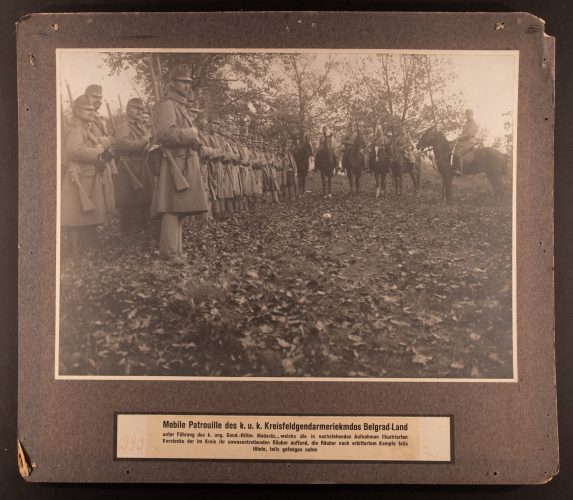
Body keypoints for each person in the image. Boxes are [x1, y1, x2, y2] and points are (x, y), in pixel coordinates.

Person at [151, 65, 208, 264]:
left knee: (180, 209)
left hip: (184, 161)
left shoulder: (180, 105)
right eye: (183, 81)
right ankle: (169, 253)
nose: (187, 85)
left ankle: (177, 251)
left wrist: (194, 140)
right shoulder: (167, 105)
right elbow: (164, 134)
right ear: (171, 83)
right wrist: (191, 134)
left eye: (189, 82)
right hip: (174, 162)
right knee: (171, 208)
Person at [61, 94, 113, 254]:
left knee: (87, 213)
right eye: (87, 109)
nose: (92, 112)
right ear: (77, 110)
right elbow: (73, 150)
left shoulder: (85, 128)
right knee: (75, 214)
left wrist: (105, 142)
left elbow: (94, 142)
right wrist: (97, 152)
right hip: (79, 176)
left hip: (88, 175)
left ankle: (87, 246)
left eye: (92, 109)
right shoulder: (75, 129)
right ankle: (74, 251)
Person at [113, 98, 153, 235]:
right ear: (128, 109)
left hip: (141, 166)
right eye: (136, 108)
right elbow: (121, 144)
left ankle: (141, 233)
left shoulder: (140, 126)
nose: (139, 112)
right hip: (128, 168)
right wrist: (142, 142)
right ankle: (126, 238)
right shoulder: (124, 126)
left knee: (144, 201)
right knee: (128, 204)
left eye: (141, 109)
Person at [84, 84, 117, 217]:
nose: (98, 100)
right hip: (93, 163)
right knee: (94, 201)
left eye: (100, 98)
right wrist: (107, 140)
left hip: (105, 161)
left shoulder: (100, 118)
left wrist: (113, 167)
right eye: (95, 97)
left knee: (106, 199)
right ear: (87, 97)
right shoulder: (84, 117)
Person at [453, 108, 479, 175]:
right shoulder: (466, 123)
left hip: (469, 142)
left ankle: (461, 171)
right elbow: (464, 134)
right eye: (466, 114)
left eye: (469, 114)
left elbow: (469, 135)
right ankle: (453, 167)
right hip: (463, 141)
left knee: (459, 153)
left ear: (472, 115)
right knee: (452, 149)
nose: (467, 116)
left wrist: (459, 138)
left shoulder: (474, 124)